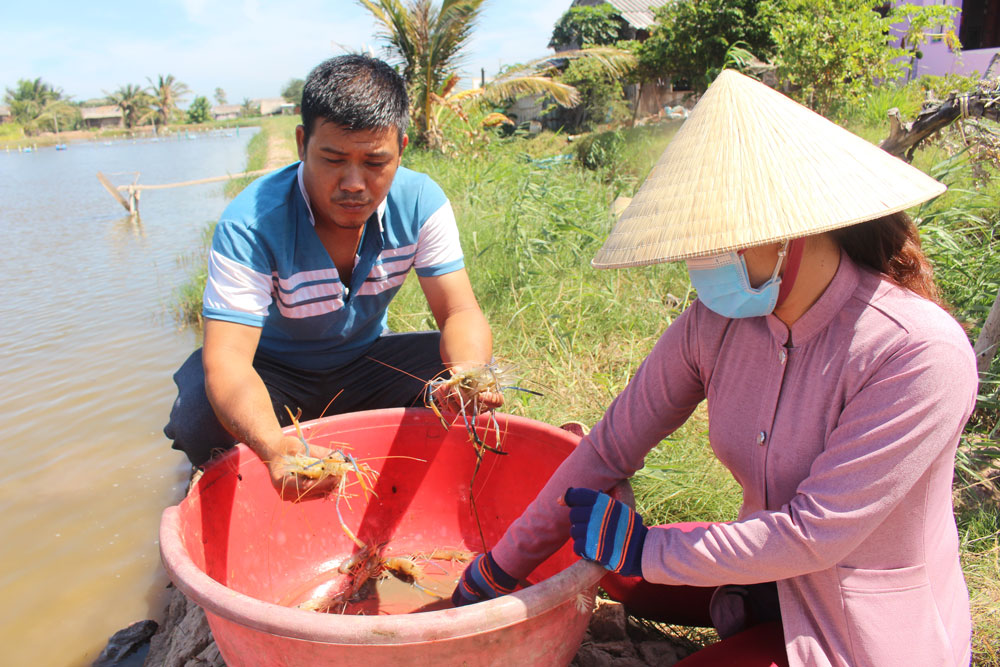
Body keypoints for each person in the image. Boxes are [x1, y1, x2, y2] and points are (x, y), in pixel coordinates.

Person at [452, 70, 978, 667]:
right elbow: (608, 449)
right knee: (607, 568)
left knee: (633, 561)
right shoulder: (717, 325)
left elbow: (815, 533)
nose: (703, 264)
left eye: (718, 241)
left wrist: (649, 548)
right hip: (764, 574)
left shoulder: (916, 353)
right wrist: (495, 571)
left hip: (857, 622)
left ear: (793, 230)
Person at [164, 55, 500, 498]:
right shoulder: (249, 223)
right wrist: (274, 449)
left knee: (464, 372)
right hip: (274, 373)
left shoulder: (422, 203)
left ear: (401, 148)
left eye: (375, 162)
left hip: (365, 362)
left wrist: (467, 377)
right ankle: (231, 479)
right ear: (303, 144)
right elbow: (229, 361)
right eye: (334, 159)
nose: (354, 184)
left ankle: (413, 476)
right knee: (198, 415)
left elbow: (458, 310)